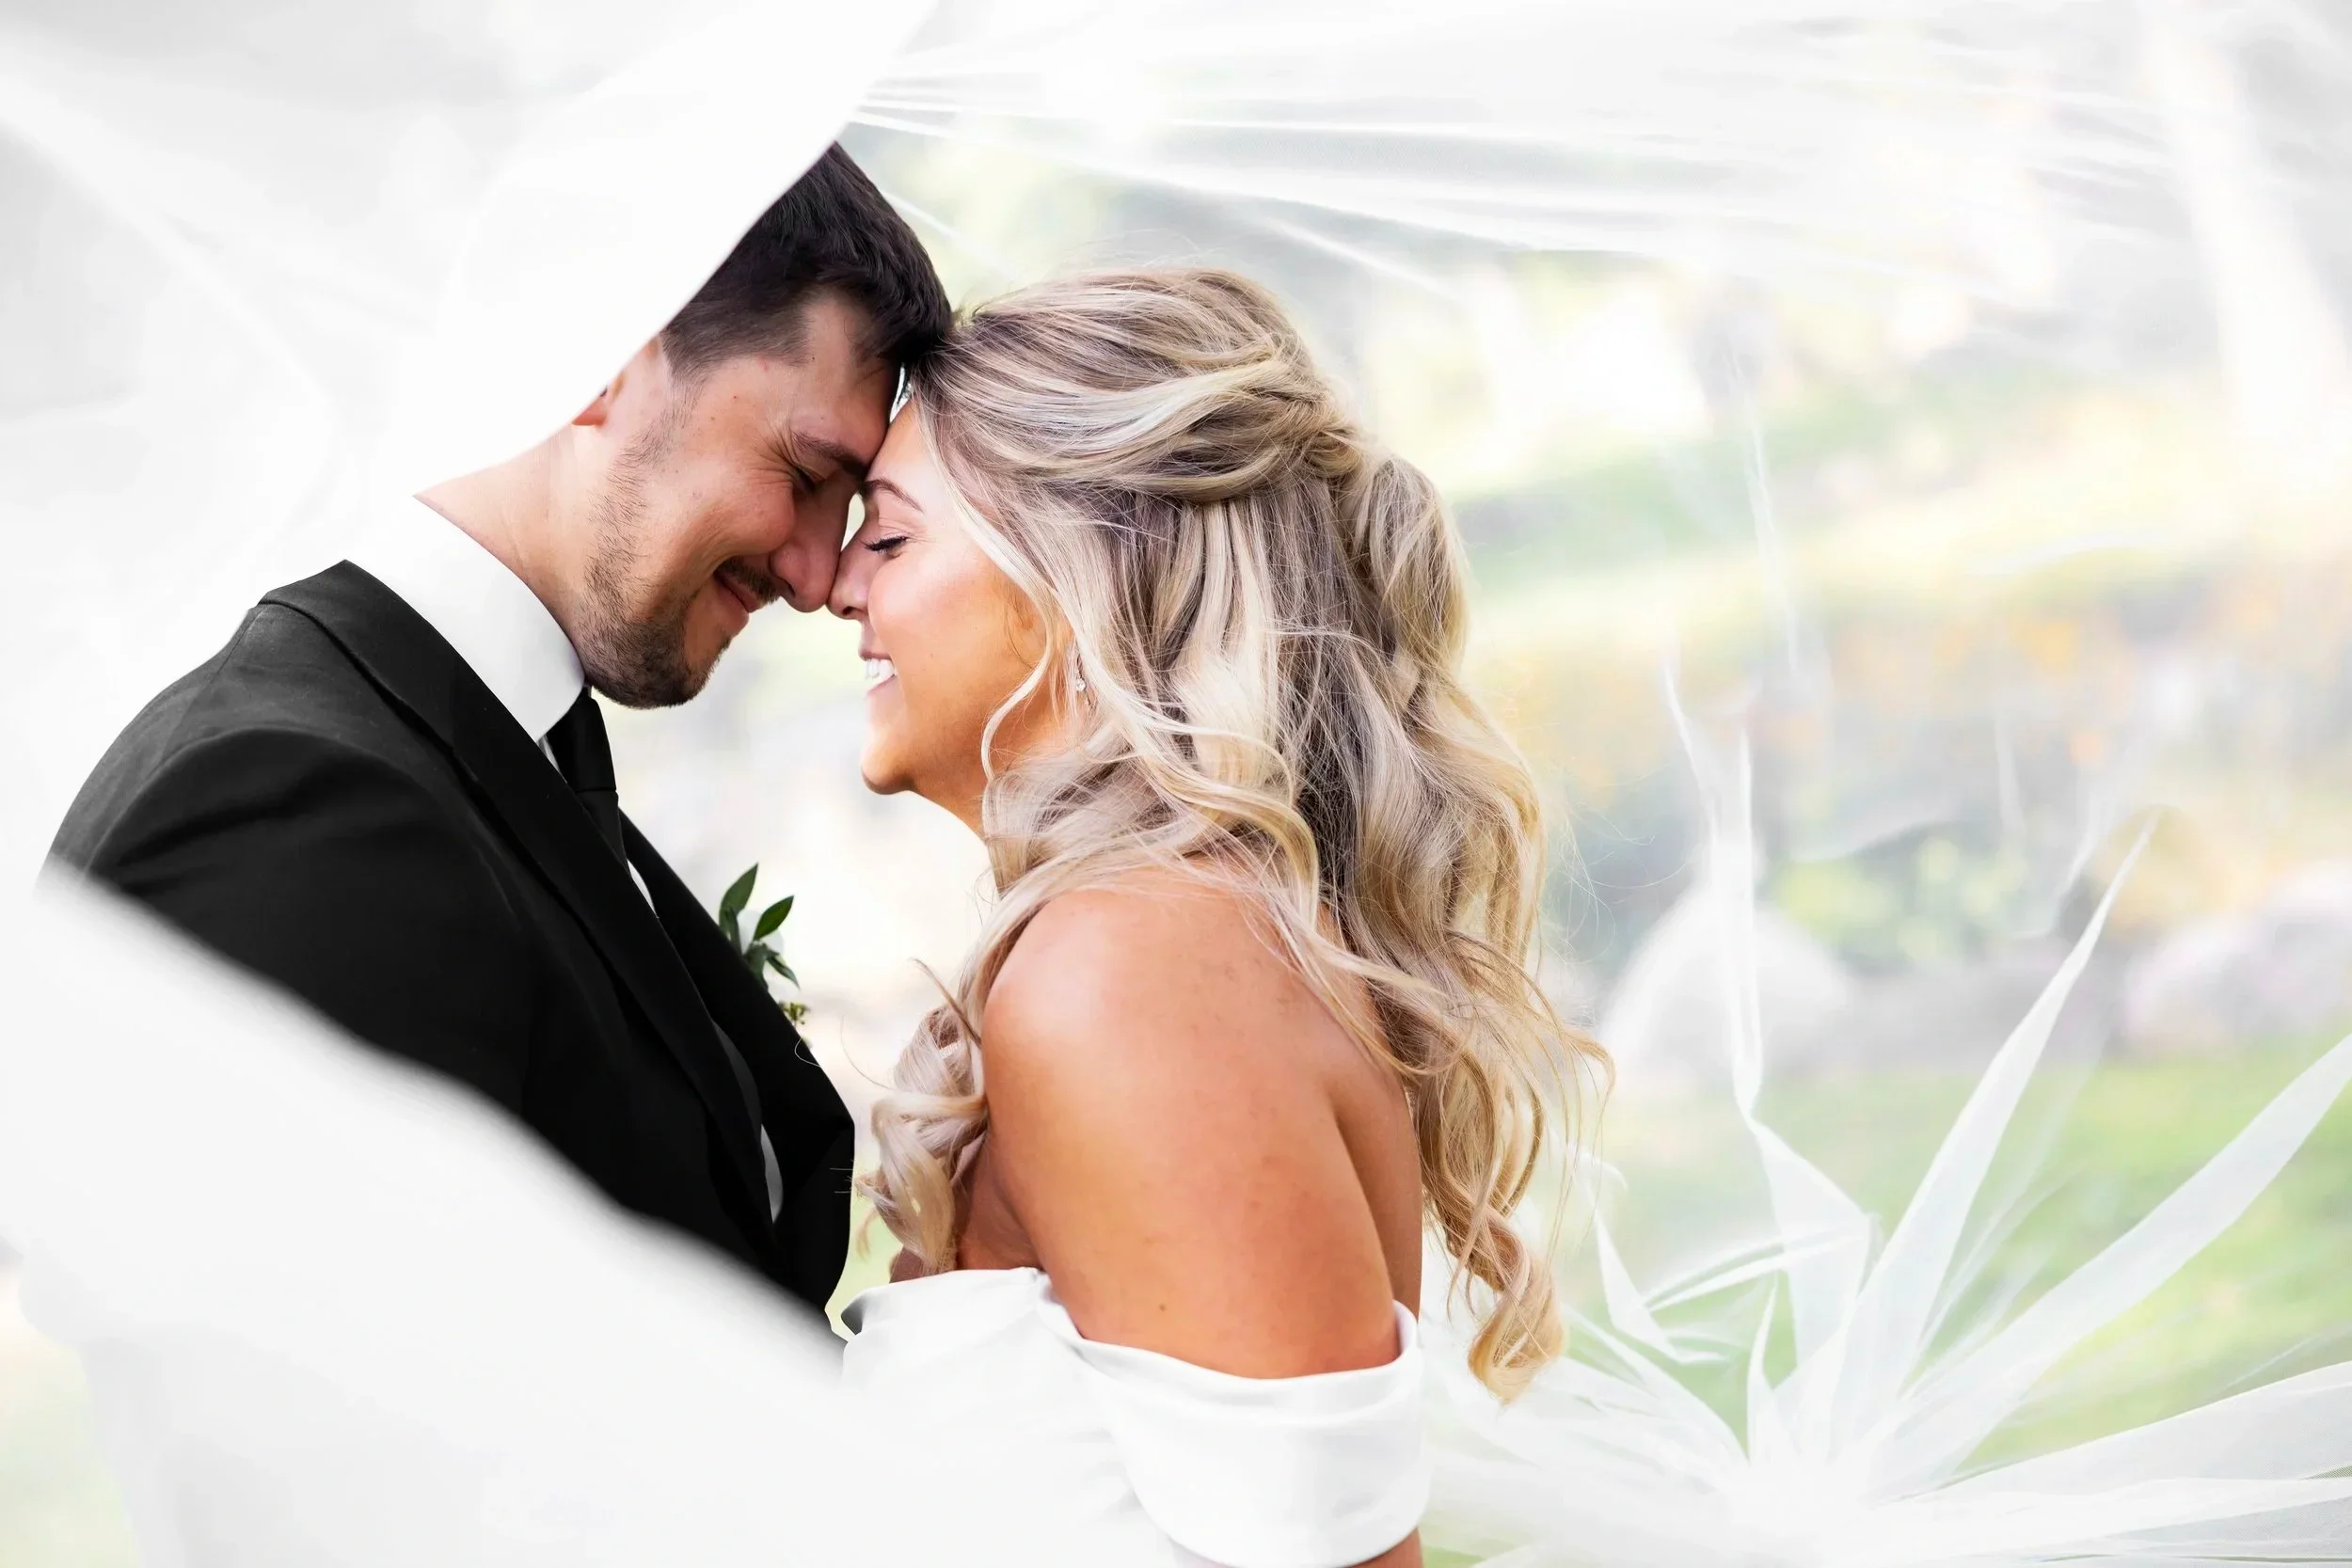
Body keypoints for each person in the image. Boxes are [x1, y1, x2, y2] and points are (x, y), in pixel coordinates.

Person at [47, 144, 952, 1312]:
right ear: (600, 356)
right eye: (803, 471)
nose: (819, 574)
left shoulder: (488, 743)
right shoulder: (292, 803)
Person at [826, 268, 1606, 1566]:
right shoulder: (1162, 934)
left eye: (893, 539)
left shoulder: (1128, 973)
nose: (836, 585)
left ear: (1083, 580)